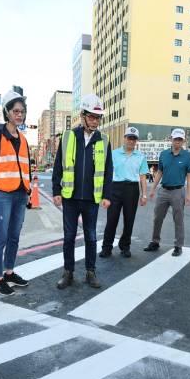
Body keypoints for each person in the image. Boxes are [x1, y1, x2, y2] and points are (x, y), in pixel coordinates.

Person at [52, 93, 113, 289]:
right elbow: (58, 166)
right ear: (83, 115)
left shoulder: (104, 139)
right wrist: (56, 191)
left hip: (91, 199)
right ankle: (68, 272)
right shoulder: (69, 136)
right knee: (69, 236)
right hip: (70, 197)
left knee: (91, 236)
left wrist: (106, 195)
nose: (95, 121)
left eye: (98, 117)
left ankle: (90, 272)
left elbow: (108, 170)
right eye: (92, 117)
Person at [0, 91, 33, 295]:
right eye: (15, 111)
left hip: (21, 194)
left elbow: (26, 166)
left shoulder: (23, 138)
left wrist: (28, 191)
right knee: (0, 236)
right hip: (2, 193)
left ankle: (9, 272)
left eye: (22, 111)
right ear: (7, 112)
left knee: (14, 236)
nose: (19, 115)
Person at [144, 128, 190, 256]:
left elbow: (189, 176)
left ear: (183, 141)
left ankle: (178, 245)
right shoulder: (164, 154)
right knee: (157, 218)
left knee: (178, 220)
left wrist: (188, 195)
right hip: (164, 191)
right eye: (175, 139)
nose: (177, 142)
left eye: (180, 139)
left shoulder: (188, 156)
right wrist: (153, 188)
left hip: (178, 191)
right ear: (171, 139)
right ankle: (155, 242)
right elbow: (160, 172)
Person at [100, 126, 148, 258]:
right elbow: (107, 174)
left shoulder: (141, 156)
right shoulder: (114, 154)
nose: (131, 141)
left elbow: (143, 176)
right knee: (112, 219)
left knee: (129, 220)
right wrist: (105, 194)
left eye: (134, 139)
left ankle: (125, 246)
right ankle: (106, 247)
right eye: (129, 138)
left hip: (132, 189)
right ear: (124, 138)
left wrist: (144, 195)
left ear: (136, 141)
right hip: (115, 188)